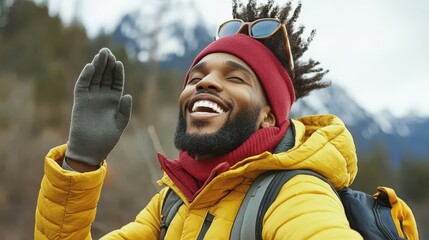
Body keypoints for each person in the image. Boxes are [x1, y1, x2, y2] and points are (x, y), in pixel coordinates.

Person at [35, 1, 375, 239]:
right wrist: (80, 163)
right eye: (196, 78)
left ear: (268, 115)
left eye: (236, 78)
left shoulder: (294, 193)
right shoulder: (173, 203)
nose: (206, 83)